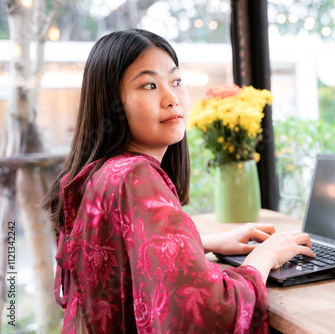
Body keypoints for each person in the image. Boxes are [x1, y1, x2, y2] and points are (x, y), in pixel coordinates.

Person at [43, 28, 314, 334]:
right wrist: (266, 255)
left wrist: (203, 244)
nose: (172, 99)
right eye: (148, 85)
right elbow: (201, 312)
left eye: (176, 81)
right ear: (110, 103)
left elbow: (119, 253)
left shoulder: (100, 173)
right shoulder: (136, 175)